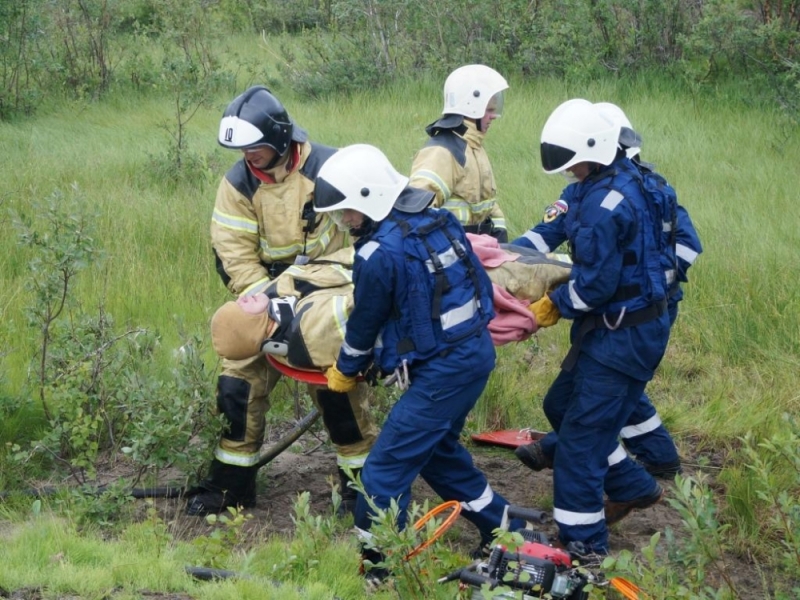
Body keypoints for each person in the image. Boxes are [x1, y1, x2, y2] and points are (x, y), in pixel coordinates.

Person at [312, 143, 522, 580]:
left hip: (444, 371)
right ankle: (506, 530)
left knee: (383, 472)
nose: (345, 221)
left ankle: (384, 571)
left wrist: (346, 372)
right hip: (472, 354)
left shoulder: (377, 254)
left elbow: (364, 325)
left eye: (347, 212)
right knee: (436, 452)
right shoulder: (434, 220)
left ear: (370, 197)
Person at [186, 86, 378, 518]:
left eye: (255, 150)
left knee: (337, 389)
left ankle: (363, 489)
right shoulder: (238, 183)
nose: (248, 160)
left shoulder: (332, 168)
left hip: (330, 300)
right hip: (267, 302)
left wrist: (306, 296)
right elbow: (232, 251)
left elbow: (367, 243)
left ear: (279, 140)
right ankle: (232, 488)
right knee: (236, 386)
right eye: (242, 152)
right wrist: (269, 307)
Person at [514, 102, 702, 482]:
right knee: (614, 391)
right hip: (616, 307)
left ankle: (609, 466)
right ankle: (656, 458)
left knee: (609, 389)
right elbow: (545, 233)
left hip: (645, 308)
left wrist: (648, 279)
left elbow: (688, 247)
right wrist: (505, 258)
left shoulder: (648, 191)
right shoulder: (584, 192)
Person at [520, 99, 672, 554]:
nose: (568, 172)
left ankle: (583, 550)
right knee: (562, 404)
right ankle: (631, 484)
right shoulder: (619, 184)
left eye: (572, 163)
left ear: (597, 149)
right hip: (621, 330)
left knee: (580, 451)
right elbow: (550, 231)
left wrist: (553, 303)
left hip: (621, 335)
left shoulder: (608, 204)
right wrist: (499, 256)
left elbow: (595, 288)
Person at [409, 64, 510, 242]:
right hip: (454, 252)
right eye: (489, 110)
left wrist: (499, 234)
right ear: (472, 107)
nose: (493, 116)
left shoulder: (474, 147)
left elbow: (487, 203)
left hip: (477, 249)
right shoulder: (441, 152)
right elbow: (417, 213)